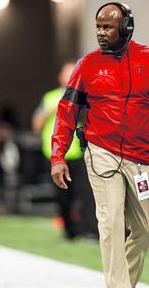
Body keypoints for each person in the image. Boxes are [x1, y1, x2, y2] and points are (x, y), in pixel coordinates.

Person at [51, 2, 149, 287]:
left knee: (143, 232)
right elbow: (66, 110)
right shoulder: (87, 65)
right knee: (112, 223)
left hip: (142, 159)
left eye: (107, 27)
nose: (101, 33)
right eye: (98, 27)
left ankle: (122, 283)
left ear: (126, 27)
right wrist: (58, 156)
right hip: (100, 152)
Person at [33, 61, 98, 240]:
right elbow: (36, 125)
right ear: (60, 76)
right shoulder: (49, 97)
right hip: (55, 155)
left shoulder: (84, 96)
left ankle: (89, 230)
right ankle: (69, 232)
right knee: (62, 196)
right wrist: (53, 109)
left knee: (86, 194)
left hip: (78, 153)